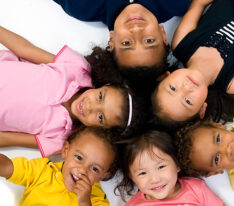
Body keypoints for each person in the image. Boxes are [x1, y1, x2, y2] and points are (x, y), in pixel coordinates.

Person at [0, 26, 145, 157]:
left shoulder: (61, 139)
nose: (90, 106)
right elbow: (24, 49)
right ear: (105, 85)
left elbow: (7, 139)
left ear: (103, 130)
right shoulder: (77, 69)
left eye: (100, 117)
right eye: (100, 97)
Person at [52, 0, 190, 87]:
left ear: (112, 40)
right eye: (149, 40)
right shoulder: (178, 2)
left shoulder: (82, 5)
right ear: (163, 34)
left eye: (127, 43)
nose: (136, 30)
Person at [0, 126, 118, 206]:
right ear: (66, 151)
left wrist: (85, 203)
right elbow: (8, 167)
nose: (82, 170)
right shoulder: (43, 170)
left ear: (102, 176)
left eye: (95, 169)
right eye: (79, 158)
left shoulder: (97, 199)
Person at [116, 130, 224, 205]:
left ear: (177, 165)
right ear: (132, 177)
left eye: (161, 167)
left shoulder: (196, 188)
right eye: (143, 173)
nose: (155, 179)